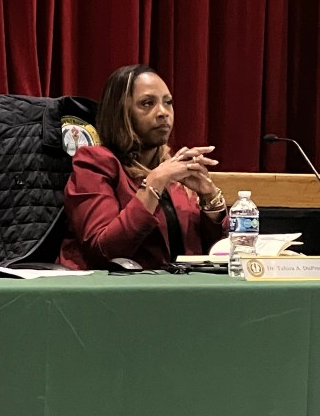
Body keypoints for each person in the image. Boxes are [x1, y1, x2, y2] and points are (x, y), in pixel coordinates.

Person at [58, 64, 228, 270]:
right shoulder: (94, 163)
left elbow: (213, 255)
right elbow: (102, 251)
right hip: (117, 294)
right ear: (120, 112)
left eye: (168, 103)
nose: (163, 112)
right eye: (147, 103)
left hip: (180, 291)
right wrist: (154, 184)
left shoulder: (174, 168)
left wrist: (209, 198)